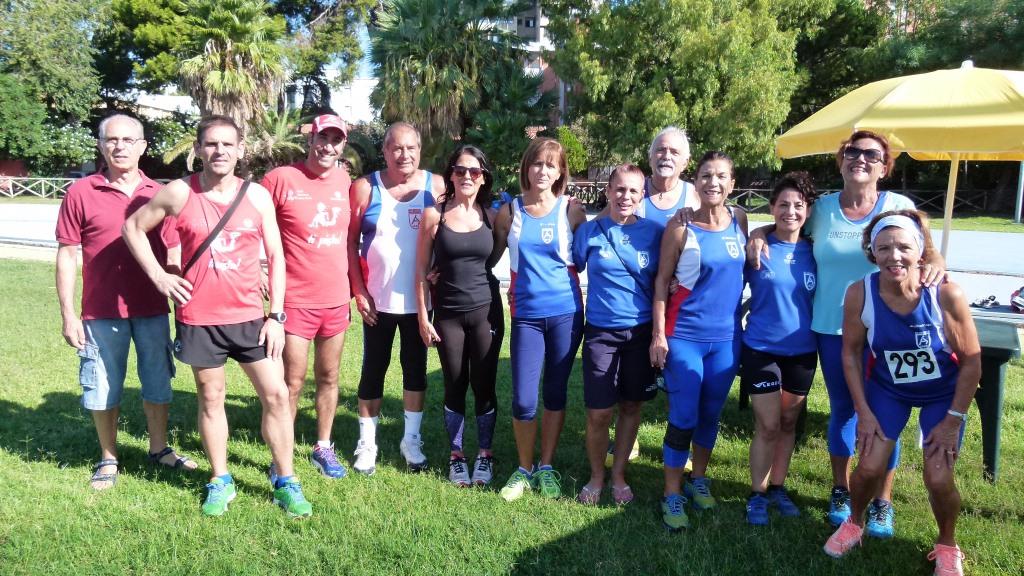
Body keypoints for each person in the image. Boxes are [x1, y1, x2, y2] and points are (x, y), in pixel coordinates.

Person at [748, 130, 944, 535]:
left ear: (884, 167)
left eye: (872, 154)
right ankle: (841, 489)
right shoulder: (822, 209)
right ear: (840, 161)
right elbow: (786, 222)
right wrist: (757, 234)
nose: (861, 159)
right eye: (852, 152)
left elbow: (925, 248)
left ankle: (882, 501)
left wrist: (937, 259)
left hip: (888, 330)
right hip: (831, 328)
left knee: (887, 413)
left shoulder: (898, 206)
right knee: (844, 410)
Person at [122, 115, 312, 518]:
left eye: (227, 144)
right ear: (198, 149)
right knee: (211, 397)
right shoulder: (179, 192)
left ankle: (286, 480)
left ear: (240, 150)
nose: (219, 151)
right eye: (211, 144)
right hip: (199, 318)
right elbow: (133, 228)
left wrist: (276, 316)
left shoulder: (256, 196)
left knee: (277, 395)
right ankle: (220, 479)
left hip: (250, 317)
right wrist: (159, 276)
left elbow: (276, 256)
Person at [823, 210, 979, 576]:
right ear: (872, 252)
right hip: (889, 390)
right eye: (884, 248)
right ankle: (854, 523)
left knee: (938, 478)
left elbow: (972, 361)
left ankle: (947, 544)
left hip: (943, 394)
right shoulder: (859, 292)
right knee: (868, 468)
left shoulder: (945, 292)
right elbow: (850, 353)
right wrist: (863, 411)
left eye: (904, 247)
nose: (894, 256)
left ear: (920, 250)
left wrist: (953, 421)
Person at [56, 113, 196, 490]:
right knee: (102, 385)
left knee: (158, 383)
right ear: (101, 145)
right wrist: (68, 315)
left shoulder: (157, 193)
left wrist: (178, 293)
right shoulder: (80, 192)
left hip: (152, 309)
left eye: (128, 140)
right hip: (101, 311)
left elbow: (173, 249)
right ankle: (108, 457)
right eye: (112, 140)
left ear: (142, 147)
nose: (120, 147)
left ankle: (159, 449)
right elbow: (67, 254)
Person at [651, 151, 749, 530]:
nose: (713, 182)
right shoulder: (681, 227)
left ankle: (698, 478)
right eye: (706, 175)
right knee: (684, 415)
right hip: (685, 337)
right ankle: (671, 493)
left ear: (732, 184)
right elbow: (662, 282)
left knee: (710, 414)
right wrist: (658, 335)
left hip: (726, 340)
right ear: (696, 182)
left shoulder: (740, 220)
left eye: (721, 176)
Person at [489, 138, 586, 500]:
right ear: (526, 167)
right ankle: (524, 468)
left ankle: (546, 466)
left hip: (566, 314)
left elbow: (588, 257)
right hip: (526, 317)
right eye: (537, 163)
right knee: (524, 400)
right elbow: (489, 257)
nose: (543, 171)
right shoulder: (509, 212)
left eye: (551, 165)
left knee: (555, 393)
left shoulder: (571, 211)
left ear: (560, 172)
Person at [348, 122, 445, 474]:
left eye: (410, 148)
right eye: (396, 148)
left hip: (420, 303)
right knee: (373, 369)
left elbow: (448, 236)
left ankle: (411, 441)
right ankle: (367, 443)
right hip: (377, 302)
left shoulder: (436, 186)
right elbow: (350, 242)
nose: (404, 155)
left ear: (420, 149)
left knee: (415, 370)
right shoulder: (365, 187)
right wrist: (359, 290)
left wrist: (440, 270)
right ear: (385, 151)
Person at [262, 114, 352, 480]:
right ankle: (280, 456)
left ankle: (323, 446)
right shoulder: (281, 179)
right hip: (295, 299)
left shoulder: (345, 181)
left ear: (343, 145)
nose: (328, 146)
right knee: (292, 382)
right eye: (322, 138)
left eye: (335, 139)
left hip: (336, 298)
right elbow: (253, 224)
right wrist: (259, 269)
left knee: (329, 376)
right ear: (310, 140)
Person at [572, 164, 662, 506]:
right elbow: (567, 268)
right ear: (608, 191)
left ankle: (619, 474)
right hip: (601, 332)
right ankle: (597, 475)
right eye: (619, 189)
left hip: (640, 332)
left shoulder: (655, 233)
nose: (625, 196)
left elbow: (669, 276)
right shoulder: (589, 232)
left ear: (642, 196)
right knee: (599, 412)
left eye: (633, 191)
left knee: (631, 405)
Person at [415, 145, 504, 486]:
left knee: (484, 384)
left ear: (483, 178)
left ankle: (485, 454)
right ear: (451, 174)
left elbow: (492, 259)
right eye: (460, 170)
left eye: (474, 171)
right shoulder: (434, 215)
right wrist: (423, 316)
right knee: (454, 384)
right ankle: (456, 456)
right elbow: (421, 270)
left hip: (486, 312)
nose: (467, 176)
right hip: (448, 315)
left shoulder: (492, 216)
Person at [741, 172, 818, 525]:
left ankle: (778, 487)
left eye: (798, 205)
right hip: (761, 348)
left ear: (808, 211)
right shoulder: (757, 247)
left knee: (789, 423)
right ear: (772, 207)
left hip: (803, 351)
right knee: (768, 425)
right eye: (783, 204)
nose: (790, 211)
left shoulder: (816, 251)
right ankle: (757, 493)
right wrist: (757, 233)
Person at [637, 126, 700, 226]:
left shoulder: (694, 194)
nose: (666, 156)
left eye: (674, 152)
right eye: (660, 150)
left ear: (685, 163)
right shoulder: (633, 190)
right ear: (650, 159)